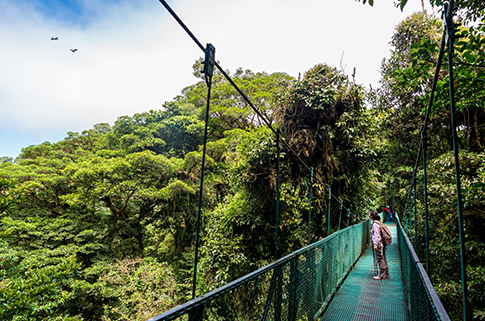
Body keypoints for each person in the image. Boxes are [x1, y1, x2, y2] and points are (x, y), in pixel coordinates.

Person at [370, 210, 389, 280]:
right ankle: (386, 274)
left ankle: (381, 275)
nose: (369, 214)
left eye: (369, 214)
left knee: (380, 259)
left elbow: (377, 235)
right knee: (383, 258)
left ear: (371, 216)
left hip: (378, 244)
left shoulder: (375, 224)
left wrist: (375, 244)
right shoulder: (378, 223)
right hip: (381, 243)